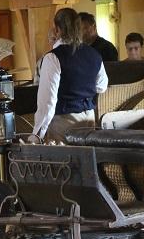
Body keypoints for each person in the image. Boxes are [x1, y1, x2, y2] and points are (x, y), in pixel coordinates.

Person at [32, 8, 109, 142]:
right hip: (89, 120)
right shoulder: (94, 54)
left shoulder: (53, 58)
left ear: (57, 30)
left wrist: (37, 135)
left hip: (64, 122)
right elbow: (102, 86)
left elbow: (48, 102)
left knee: (62, 156)